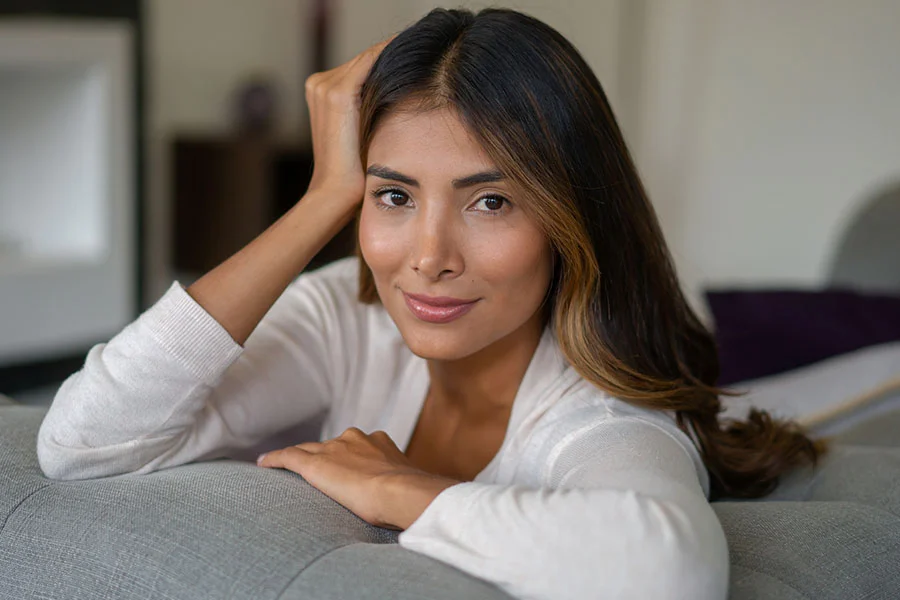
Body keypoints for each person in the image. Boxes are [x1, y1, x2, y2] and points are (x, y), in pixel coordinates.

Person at [36, 7, 828, 600]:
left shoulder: (596, 412)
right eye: (393, 195)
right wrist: (324, 199)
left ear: (569, 219)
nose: (427, 258)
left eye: (490, 203)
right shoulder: (347, 319)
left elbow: (670, 570)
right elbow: (82, 441)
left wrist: (400, 487)